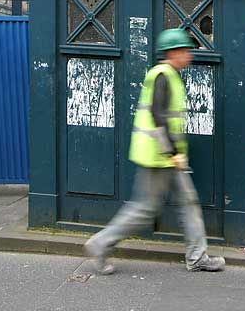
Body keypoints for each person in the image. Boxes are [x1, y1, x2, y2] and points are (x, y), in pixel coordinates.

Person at [84, 28, 225, 274]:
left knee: (188, 202)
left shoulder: (169, 74)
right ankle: (100, 243)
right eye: (186, 51)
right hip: (159, 156)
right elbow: (158, 114)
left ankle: (197, 257)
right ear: (174, 52)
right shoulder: (162, 75)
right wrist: (172, 152)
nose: (190, 55)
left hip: (166, 157)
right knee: (144, 209)